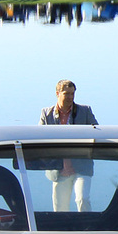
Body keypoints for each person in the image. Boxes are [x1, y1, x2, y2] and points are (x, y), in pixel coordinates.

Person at [39, 80, 99, 210]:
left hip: (81, 167)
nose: (70, 97)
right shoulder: (46, 113)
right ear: (58, 93)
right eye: (67, 94)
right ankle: (62, 230)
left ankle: (87, 228)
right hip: (58, 170)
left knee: (83, 199)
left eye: (72, 94)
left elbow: (97, 132)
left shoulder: (85, 111)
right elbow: (39, 139)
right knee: (60, 208)